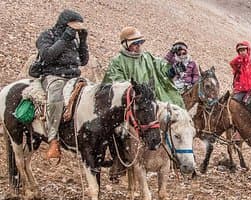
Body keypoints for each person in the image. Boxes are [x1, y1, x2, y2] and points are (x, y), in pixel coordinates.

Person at [36, 9, 89, 159]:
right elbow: (47, 56)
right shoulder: (48, 36)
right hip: (54, 75)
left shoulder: (75, 39)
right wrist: (65, 38)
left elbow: (84, 60)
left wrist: (83, 41)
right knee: (55, 98)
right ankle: (53, 139)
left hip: (73, 76)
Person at [102, 26, 184, 108]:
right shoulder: (117, 62)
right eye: (135, 43)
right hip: (134, 105)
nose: (139, 45)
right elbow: (115, 85)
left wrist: (172, 70)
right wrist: (136, 91)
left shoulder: (147, 57)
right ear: (125, 44)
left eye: (140, 42)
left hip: (154, 101)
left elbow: (161, 69)